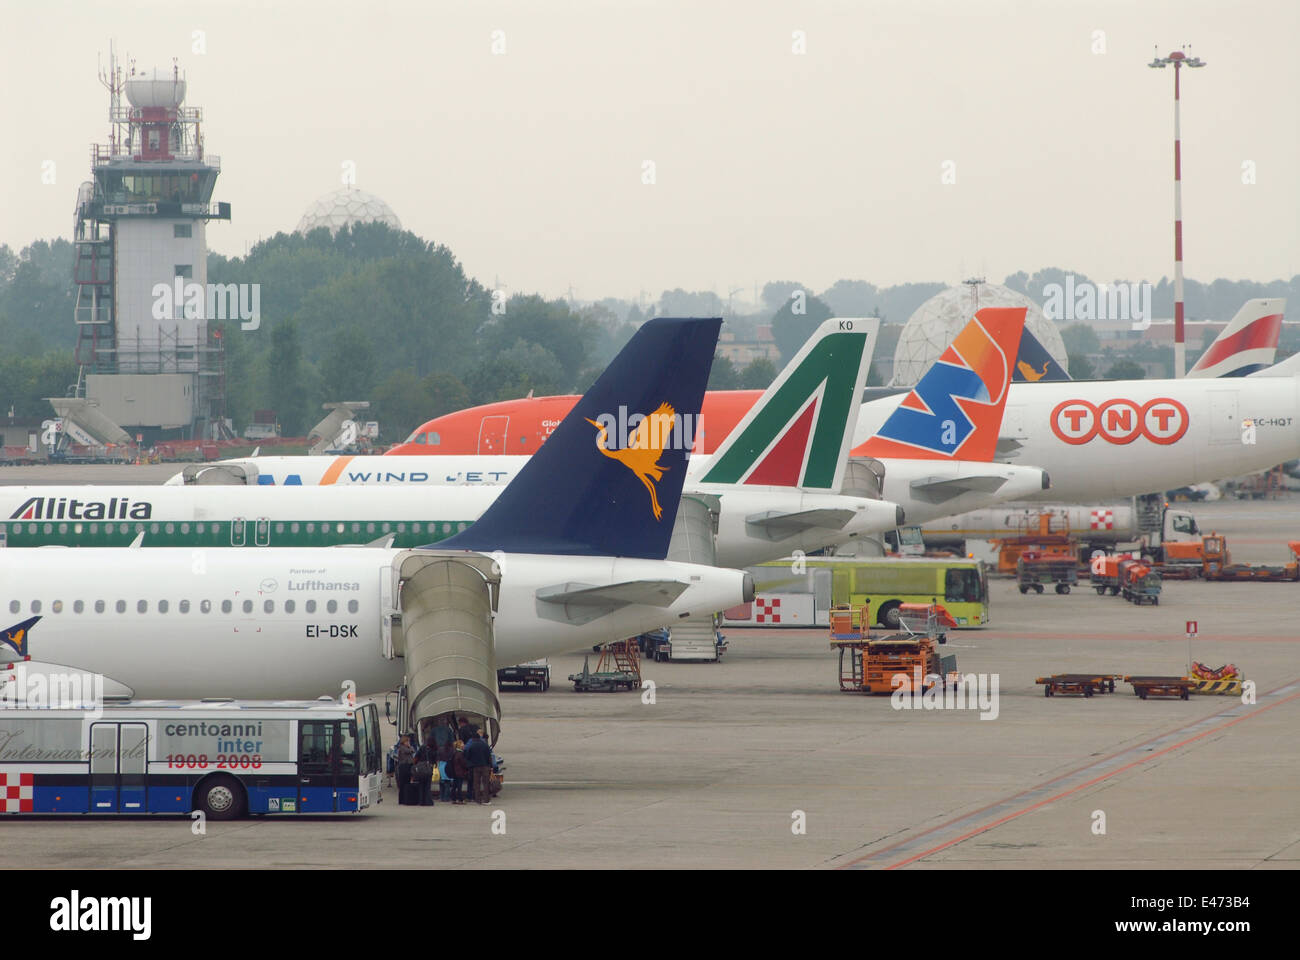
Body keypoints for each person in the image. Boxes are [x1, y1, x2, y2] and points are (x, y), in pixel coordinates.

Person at [465, 729, 493, 805]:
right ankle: (486, 800)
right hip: (485, 766)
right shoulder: (484, 744)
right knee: (486, 783)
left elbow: (467, 756)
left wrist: (469, 765)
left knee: (476, 784)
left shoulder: (471, 746)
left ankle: (478, 800)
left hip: (475, 767)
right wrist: (491, 766)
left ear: (473, 738)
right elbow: (489, 756)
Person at [414, 735, 438, 806]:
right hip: (429, 769)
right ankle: (427, 801)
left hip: (421, 768)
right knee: (427, 786)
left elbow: (416, 757)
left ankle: (421, 801)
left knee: (421, 785)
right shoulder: (434, 749)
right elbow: (435, 760)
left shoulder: (422, 748)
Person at [395, 735, 415, 806]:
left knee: (406, 783)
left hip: (408, 766)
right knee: (403, 784)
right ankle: (402, 799)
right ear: (404, 742)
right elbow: (411, 751)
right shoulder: (402, 748)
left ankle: (405, 799)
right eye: (407, 741)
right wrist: (410, 746)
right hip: (404, 766)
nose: (408, 743)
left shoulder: (404, 747)